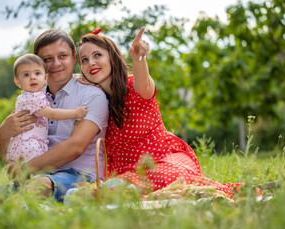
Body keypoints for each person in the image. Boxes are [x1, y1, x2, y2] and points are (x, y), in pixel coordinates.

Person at [77, 27, 243, 197]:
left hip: (164, 160)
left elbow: (145, 85)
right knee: (114, 189)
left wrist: (139, 59)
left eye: (97, 55)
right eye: (84, 60)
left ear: (112, 57)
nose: (91, 63)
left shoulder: (134, 87)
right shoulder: (94, 102)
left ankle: (237, 192)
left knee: (166, 178)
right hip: (127, 176)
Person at [0, 29, 109, 201]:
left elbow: (75, 147)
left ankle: (7, 205)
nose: (56, 63)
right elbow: (11, 154)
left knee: (41, 186)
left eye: (62, 56)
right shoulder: (32, 96)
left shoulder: (92, 95)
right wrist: (3, 133)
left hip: (81, 176)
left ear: (74, 57)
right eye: (47, 59)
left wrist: (26, 169)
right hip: (40, 175)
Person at [7, 53, 87, 163]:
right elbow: (52, 114)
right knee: (35, 172)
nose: (32, 77)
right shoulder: (32, 98)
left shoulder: (28, 95)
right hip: (30, 144)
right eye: (26, 75)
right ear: (17, 81)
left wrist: (76, 77)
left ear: (45, 78)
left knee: (27, 175)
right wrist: (75, 113)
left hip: (26, 142)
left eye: (37, 73)